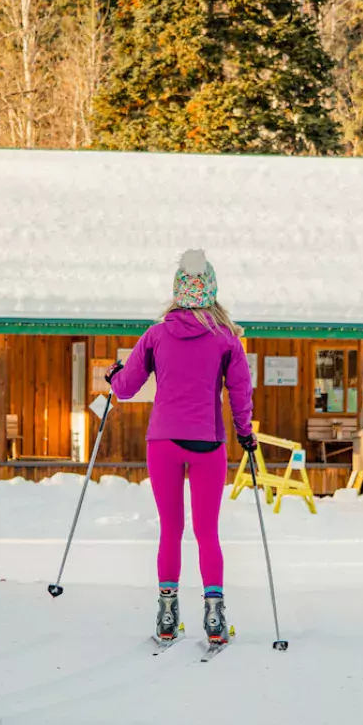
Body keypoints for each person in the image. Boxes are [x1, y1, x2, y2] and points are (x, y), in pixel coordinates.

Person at [107, 250, 256, 647]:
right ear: (211, 291)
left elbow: (126, 388)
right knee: (207, 532)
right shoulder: (227, 339)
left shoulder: (155, 336)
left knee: (170, 529)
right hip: (207, 442)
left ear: (177, 290)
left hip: (164, 443)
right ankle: (214, 615)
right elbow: (240, 391)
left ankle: (167, 614)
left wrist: (114, 376)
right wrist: (245, 433)